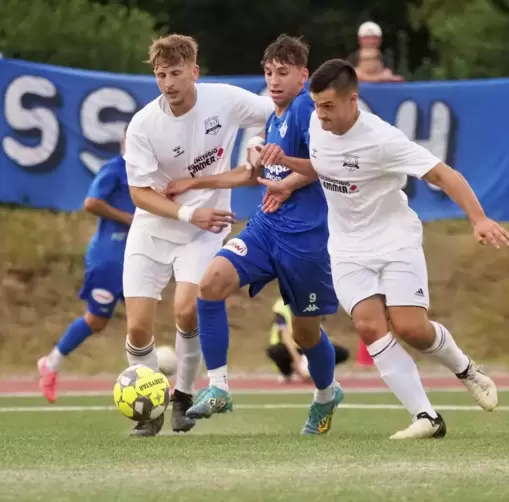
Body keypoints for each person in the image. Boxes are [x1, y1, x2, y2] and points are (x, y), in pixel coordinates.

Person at [257, 59, 509, 439]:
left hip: (395, 240)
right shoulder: (316, 122)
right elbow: (323, 165)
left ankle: (465, 369)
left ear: (352, 100)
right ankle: (427, 417)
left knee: (411, 328)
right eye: (317, 105)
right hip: (346, 247)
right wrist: (287, 175)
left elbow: (444, 174)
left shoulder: (382, 139)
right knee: (367, 324)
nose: (320, 115)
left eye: (329, 106)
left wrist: (478, 219)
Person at [165, 35, 344, 435]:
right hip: (266, 228)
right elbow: (256, 175)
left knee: (304, 332)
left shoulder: (305, 111)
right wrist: (194, 184)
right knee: (210, 283)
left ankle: (326, 394)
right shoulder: (274, 117)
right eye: (269, 73)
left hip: (306, 238)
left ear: (303, 75)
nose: (274, 80)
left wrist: (286, 186)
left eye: (283, 72)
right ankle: (219, 387)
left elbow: (325, 165)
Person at [121, 34, 273, 437]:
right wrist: (190, 211)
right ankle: (149, 404)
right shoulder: (143, 124)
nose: (168, 83)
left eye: (175, 73)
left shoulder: (223, 99)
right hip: (153, 230)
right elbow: (140, 193)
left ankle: (182, 396)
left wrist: (256, 145)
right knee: (138, 328)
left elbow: (272, 112)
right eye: (160, 75)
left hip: (205, 230)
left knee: (187, 309)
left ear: (194, 72)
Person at [37, 139, 133, 403]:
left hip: (135, 256)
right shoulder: (115, 169)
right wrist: (129, 219)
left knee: (140, 318)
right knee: (97, 319)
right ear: (126, 142)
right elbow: (91, 202)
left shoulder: (150, 171)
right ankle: (51, 363)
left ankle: (150, 378)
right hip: (108, 257)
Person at [267, 298, 350, 383]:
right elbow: (285, 334)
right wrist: (297, 360)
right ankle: (288, 372)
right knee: (276, 351)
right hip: (291, 347)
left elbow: (320, 331)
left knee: (339, 352)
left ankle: (319, 373)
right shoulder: (282, 305)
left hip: (310, 345)